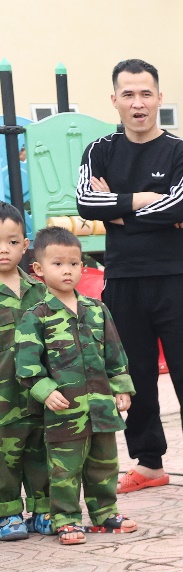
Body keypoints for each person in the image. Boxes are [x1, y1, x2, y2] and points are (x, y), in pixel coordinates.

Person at [76, 58, 183, 498]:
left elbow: (178, 207)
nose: (137, 103)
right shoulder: (99, 151)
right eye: (128, 94)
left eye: (145, 94)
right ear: (114, 99)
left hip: (174, 277)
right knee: (132, 375)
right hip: (122, 279)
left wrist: (117, 210)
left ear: (159, 98)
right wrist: (144, 199)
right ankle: (149, 462)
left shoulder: (180, 152)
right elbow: (85, 203)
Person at [14, 227, 135, 545]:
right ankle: (66, 520)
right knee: (64, 470)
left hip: (102, 409)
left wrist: (121, 387)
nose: (67, 270)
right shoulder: (36, 316)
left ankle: (105, 514)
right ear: (38, 269)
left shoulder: (97, 310)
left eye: (74, 263)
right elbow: (27, 366)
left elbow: (115, 355)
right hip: (65, 413)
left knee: (104, 465)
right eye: (58, 264)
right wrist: (45, 391)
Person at [0, 203, 50, 540]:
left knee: (40, 450)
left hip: (38, 395)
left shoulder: (41, 290)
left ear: (25, 244)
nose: (4, 249)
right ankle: (8, 513)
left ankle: (43, 509)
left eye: (12, 241)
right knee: (4, 457)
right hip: (2, 399)